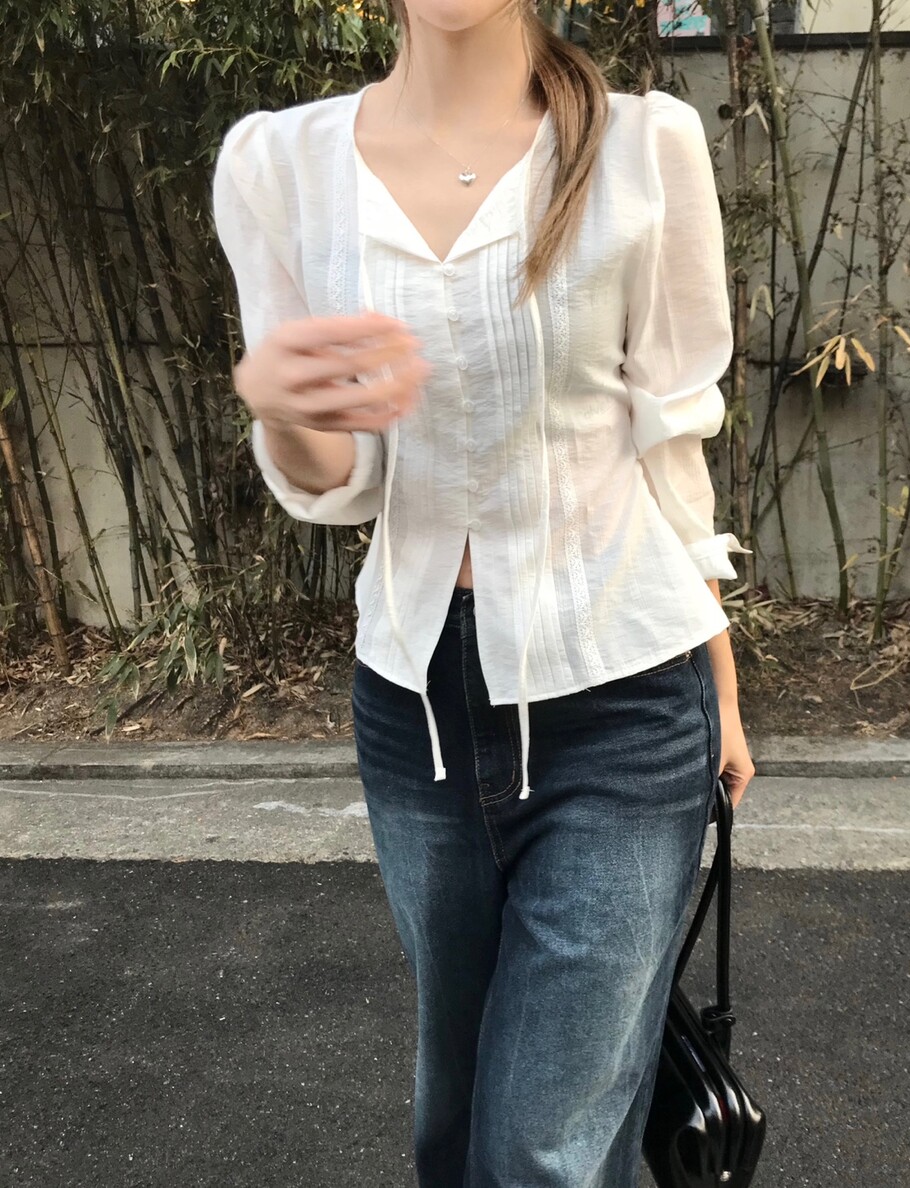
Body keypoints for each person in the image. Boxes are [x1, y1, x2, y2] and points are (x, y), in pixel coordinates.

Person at [212, 0, 755, 1181]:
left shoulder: (641, 148)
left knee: (540, 1146)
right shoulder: (280, 166)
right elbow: (342, 480)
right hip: (415, 709)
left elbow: (670, 446)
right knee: (455, 1110)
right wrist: (284, 407)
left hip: (624, 693)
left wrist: (718, 682)